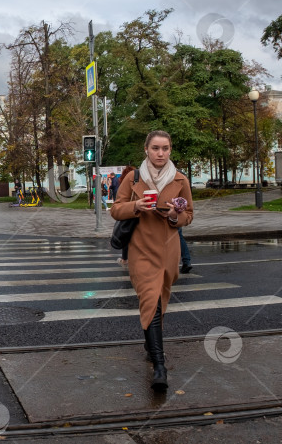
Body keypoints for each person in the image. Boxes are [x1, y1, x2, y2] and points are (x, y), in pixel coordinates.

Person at [110, 130, 193, 391]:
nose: (160, 153)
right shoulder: (133, 178)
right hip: (141, 249)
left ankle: (150, 343)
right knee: (150, 300)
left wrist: (173, 216)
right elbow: (115, 209)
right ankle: (160, 366)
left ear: (170, 150)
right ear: (146, 149)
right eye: (155, 148)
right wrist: (136, 207)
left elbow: (189, 214)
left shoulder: (180, 179)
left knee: (159, 301)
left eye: (165, 148)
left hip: (168, 251)